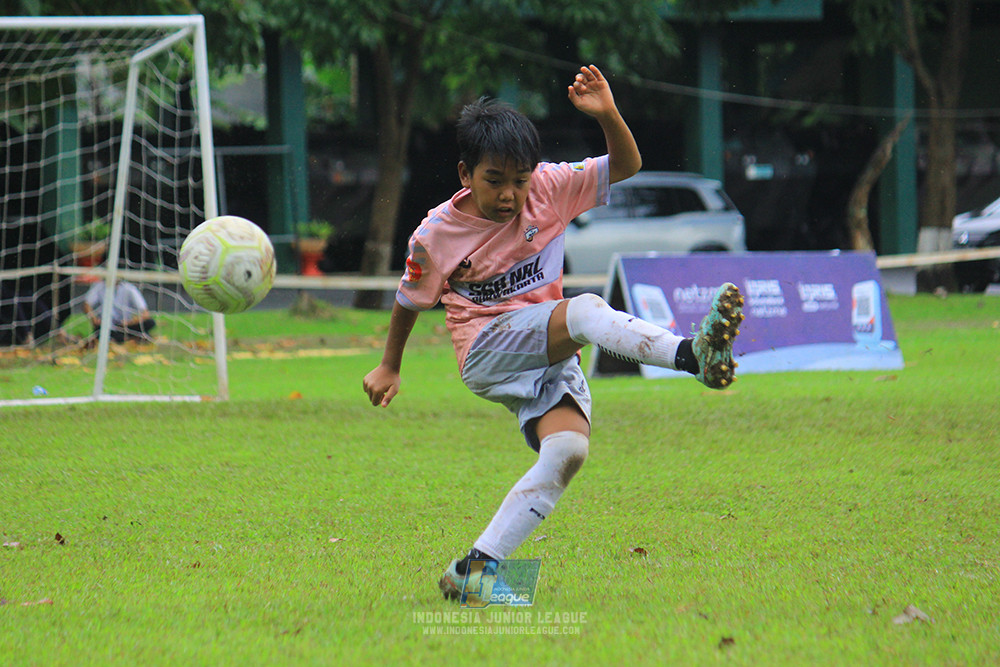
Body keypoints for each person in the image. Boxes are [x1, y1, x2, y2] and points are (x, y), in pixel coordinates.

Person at [362, 65, 745, 600]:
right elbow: (409, 300)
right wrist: (390, 365)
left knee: (567, 451)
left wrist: (607, 114)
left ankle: (474, 572)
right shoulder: (437, 233)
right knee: (584, 311)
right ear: (466, 173)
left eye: (519, 181)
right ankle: (692, 356)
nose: (509, 194)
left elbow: (627, 165)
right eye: (495, 180)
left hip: (546, 351)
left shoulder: (551, 187)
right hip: (486, 349)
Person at [83, 278, 156, 343]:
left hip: (125, 326)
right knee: (105, 332)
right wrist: (94, 320)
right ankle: (128, 338)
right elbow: (86, 305)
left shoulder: (129, 288)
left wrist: (129, 322)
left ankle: (128, 338)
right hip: (106, 326)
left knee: (150, 322)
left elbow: (145, 313)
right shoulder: (98, 287)